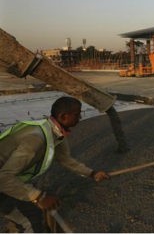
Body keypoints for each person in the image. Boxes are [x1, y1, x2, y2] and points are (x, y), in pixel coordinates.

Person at [0, 96, 109, 232]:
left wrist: (92, 173)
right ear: (63, 116)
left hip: (7, 180)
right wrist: (39, 197)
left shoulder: (54, 132)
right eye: (77, 114)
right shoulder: (37, 139)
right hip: (5, 179)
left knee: (14, 210)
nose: (80, 118)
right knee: (30, 221)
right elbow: (3, 178)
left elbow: (65, 159)